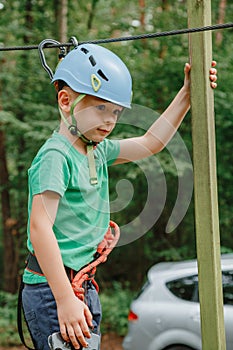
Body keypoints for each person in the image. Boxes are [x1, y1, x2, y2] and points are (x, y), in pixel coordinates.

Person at [21, 43, 217, 350]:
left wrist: (187, 95)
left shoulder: (96, 150)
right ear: (65, 101)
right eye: (100, 108)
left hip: (80, 284)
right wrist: (64, 299)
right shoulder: (55, 156)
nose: (110, 121)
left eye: (115, 112)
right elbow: (40, 228)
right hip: (53, 289)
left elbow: (150, 142)